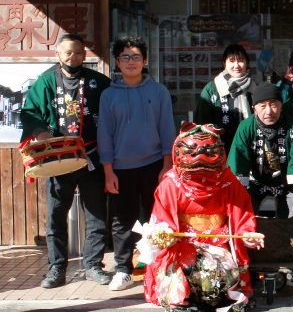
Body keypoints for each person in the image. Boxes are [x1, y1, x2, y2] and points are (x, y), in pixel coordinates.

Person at [142, 123, 264, 312]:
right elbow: (162, 221)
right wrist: (164, 235)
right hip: (182, 244)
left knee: (223, 271)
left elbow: (241, 215)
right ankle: (180, 303)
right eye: (192, 151)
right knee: (183, 270)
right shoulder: (170, 185)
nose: (200, 157)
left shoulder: (228, 182)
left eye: (208, 151)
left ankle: (218, 299)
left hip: (218, 244)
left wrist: (246, 234)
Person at [20, 33, 111, 289]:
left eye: (79, 52)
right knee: (56, 215)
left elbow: (114, 112)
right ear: (58, 54)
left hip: (90, 156)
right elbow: (29, 111)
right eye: (68, 52)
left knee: (96, 214)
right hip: (57, 158)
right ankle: (57, 268)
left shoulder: (98, 81)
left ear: (85, 55)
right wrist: (41, 131)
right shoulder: (46, 80)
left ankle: (93, 265)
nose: (73, 57)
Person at [98, 37, 177, 291]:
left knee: (158, 219)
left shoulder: (159, 91)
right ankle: (123, 269)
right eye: (125, 57)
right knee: (122, 221)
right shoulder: (109, 95)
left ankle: (162, 267)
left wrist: (167, 165)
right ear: (117, 62)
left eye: (136, 57)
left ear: (145, 61)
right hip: (121, 168)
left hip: (154, 165)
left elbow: (167, 129)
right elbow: (105, 135)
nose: (131, 62)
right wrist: (108, 170)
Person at [227, 82, 293, 219]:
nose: (268, 111)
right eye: (262, 106)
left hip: (287, 183)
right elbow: (238, 163)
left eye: (273, 105)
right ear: (254, 108)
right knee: (244, 217)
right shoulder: (245, 127)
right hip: (255, 182)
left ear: (281, 106)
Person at [195, 43, 255, 153]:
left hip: (249, 149)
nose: (236, 65)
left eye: (241, 60)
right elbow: (201, 123)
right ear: (224, 63)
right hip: (219, 151)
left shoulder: (254, 88)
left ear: (247, 63)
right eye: (232, 61)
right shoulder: (212, 89)